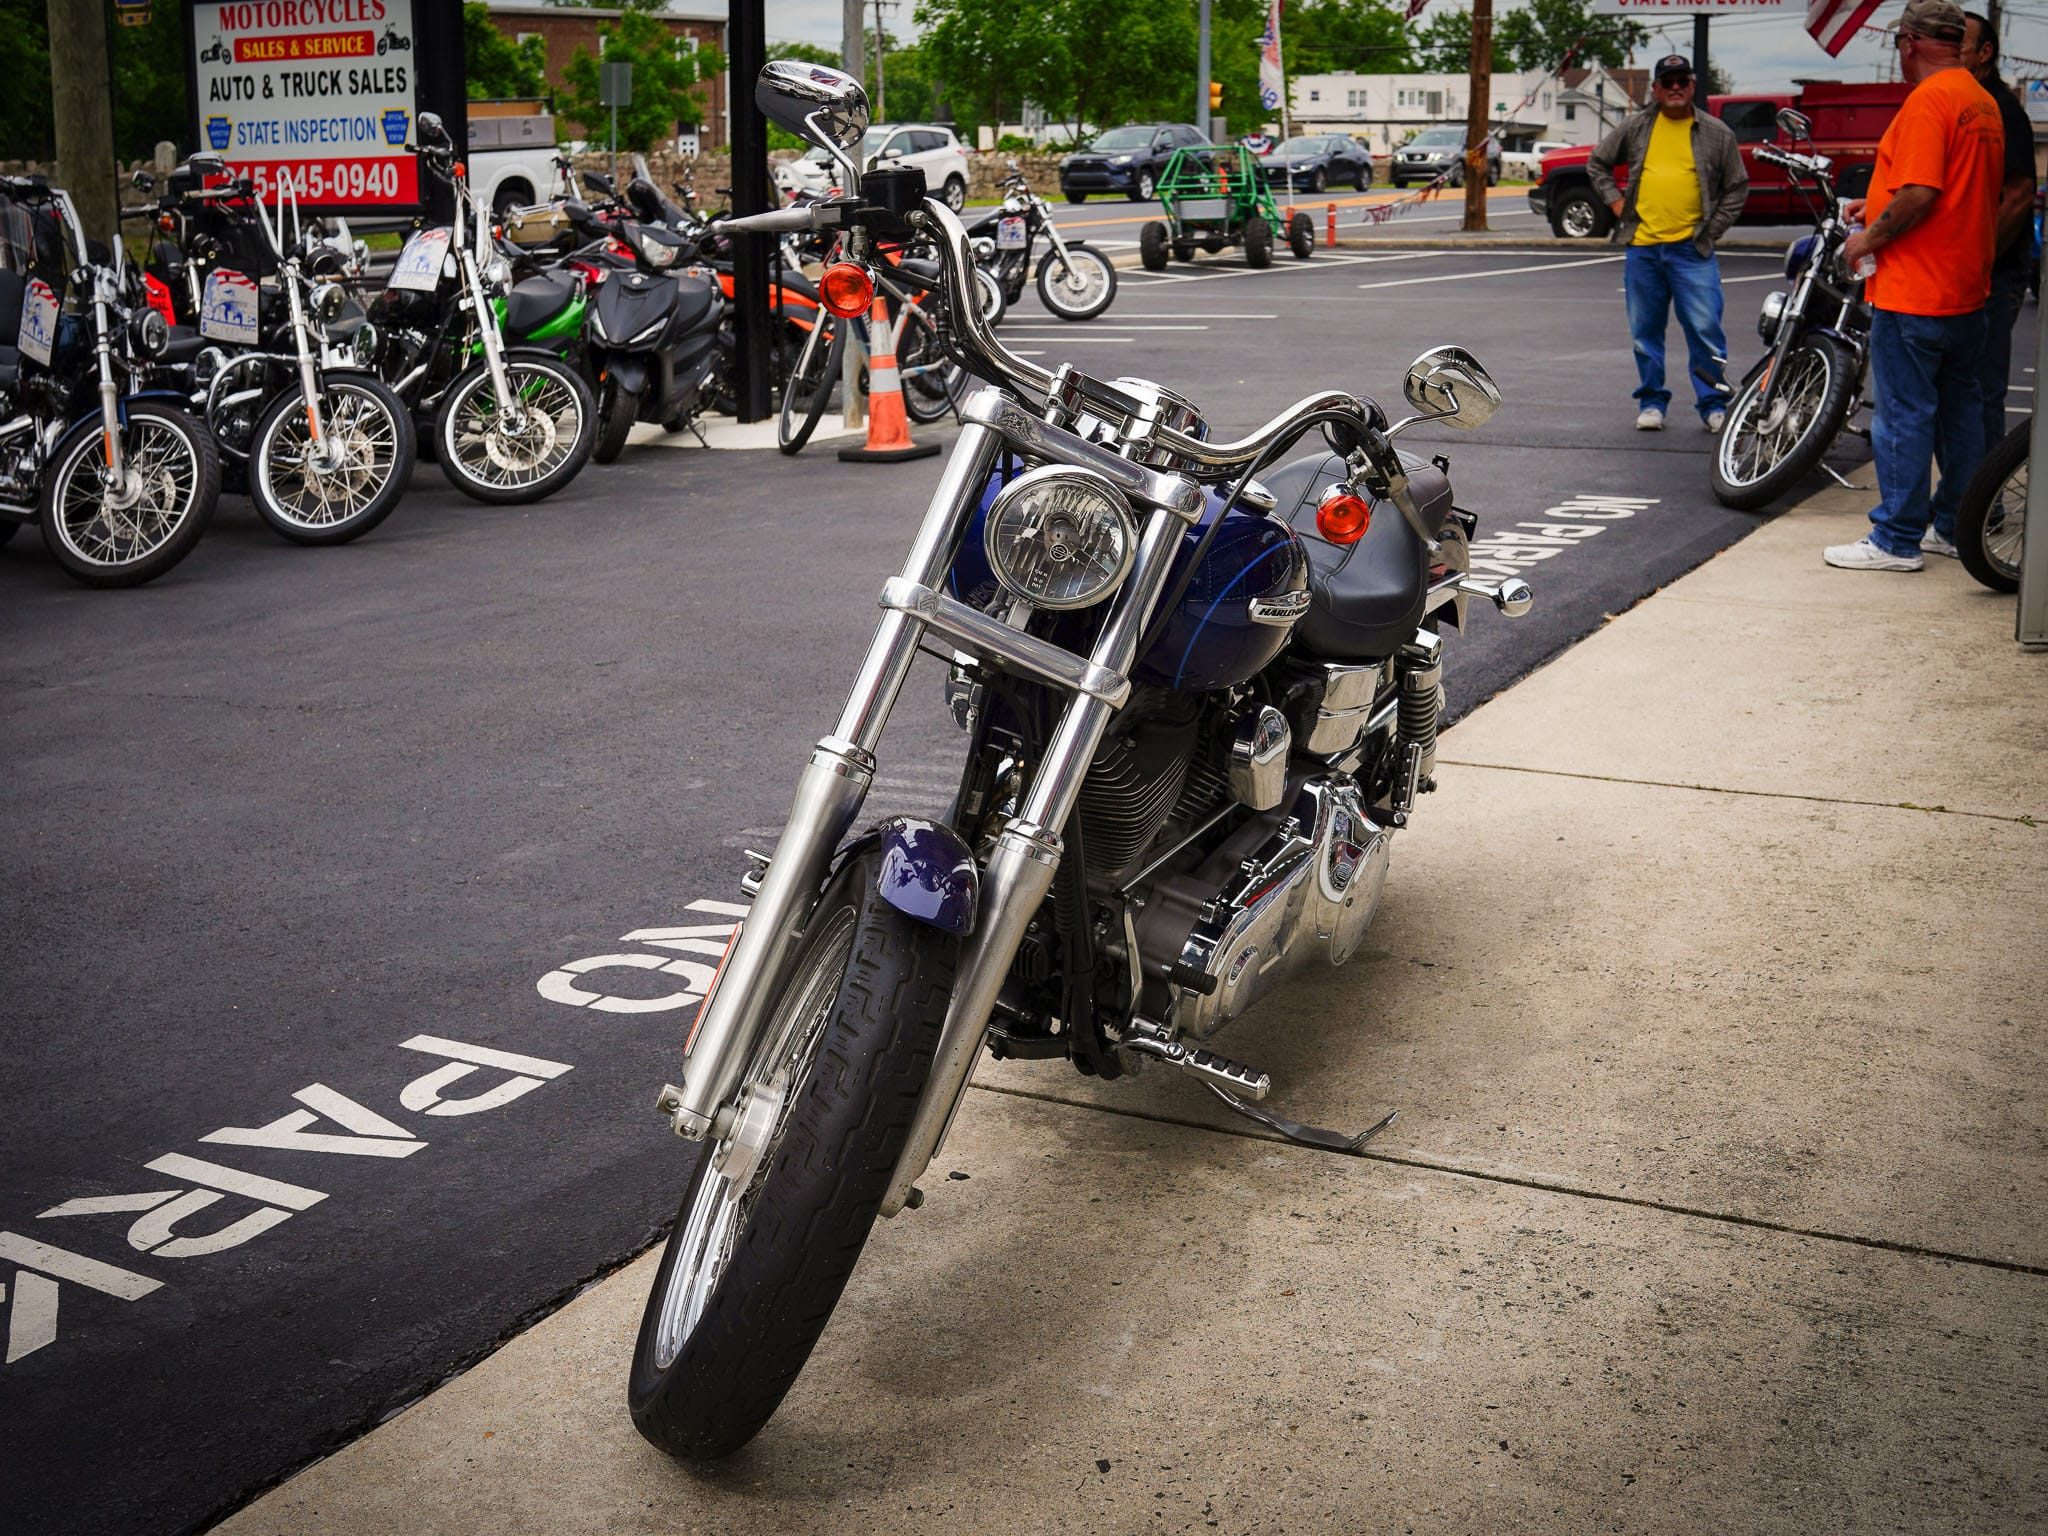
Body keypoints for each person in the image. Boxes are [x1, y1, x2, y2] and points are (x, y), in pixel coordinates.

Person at [1828, 0, 2004, 571]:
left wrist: (1866, 238)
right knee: (1961, 414)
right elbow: (1950, 188)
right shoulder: (1982, 102)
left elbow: (1922, 193)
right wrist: (1874, 204)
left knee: (1904, 414)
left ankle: (1896, 539)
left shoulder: (1929, 100)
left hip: (1915, 291)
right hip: (1966, 287)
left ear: (1907, 42)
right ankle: (1954, 526)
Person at [1588, 53, 1749, 434]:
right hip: (1642, 248)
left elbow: (1737, 186)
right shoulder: (1636, 126)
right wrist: (1616, 202)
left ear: (1692, 86)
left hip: (1692, 250)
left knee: (1705, 330)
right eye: (1668, 81)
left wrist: (1711, 231)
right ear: (1656, 88)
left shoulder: (1716, 132)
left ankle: (1713, 405)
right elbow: (1598, 163)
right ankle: (1651, 402)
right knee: (1645, 332)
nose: (1675, 87)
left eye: (1682, 81)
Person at [1958, 9, 2038, 516]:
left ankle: (1984, 510)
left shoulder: (2002, 109)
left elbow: (2019, 193)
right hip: (1975, 275)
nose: (1950, 51)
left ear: (1985, 53)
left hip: (1993, 276)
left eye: (1958, 43)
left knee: (1981, 393)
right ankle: (1965, 504)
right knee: (1966, 392)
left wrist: (1980, 261)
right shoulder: (1973, 104)